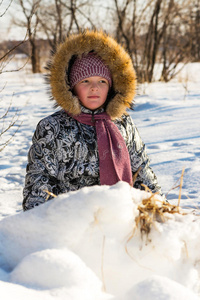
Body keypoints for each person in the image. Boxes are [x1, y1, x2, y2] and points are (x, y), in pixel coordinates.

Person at [23, 30, 164, 211]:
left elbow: (142, 172)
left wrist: (158, 209)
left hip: (121, 218)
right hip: (72, 222)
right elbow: (38, 183)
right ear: (72, 87)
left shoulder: (123, 124)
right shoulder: (52, 127)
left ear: (112, 86)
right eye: (86, 81)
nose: (94, 88)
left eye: (102, 81)